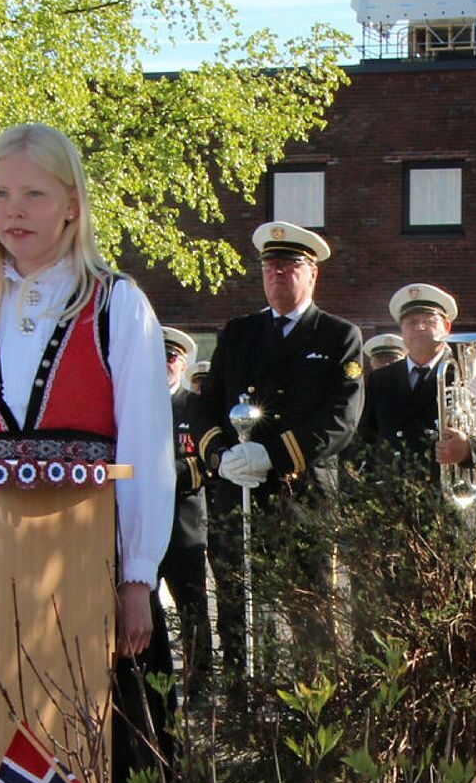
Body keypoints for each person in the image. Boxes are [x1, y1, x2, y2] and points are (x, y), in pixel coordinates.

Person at [0, 122, 176, 783]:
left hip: (87, 571)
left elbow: (148, 448)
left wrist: (137, 576)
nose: (14, 210)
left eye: (33, 192)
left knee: (109, 743)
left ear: (71, 204)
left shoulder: (118, 304)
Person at [191, 221, 364, 679]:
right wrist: (219, 456)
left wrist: (272, 455)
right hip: (238, 490)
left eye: (290, 266)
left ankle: (314, 706)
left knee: (308, 605)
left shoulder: (338, 336)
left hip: (300, 491)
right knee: (235, 599)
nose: (278, 275)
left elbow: (340, 420)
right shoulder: (239, 333)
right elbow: (205, 406)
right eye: (271, 266)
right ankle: (239, 699)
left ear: (312, 275)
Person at [163, 326, 215, 691]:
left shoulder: (195, 406)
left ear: (183, 365)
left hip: (184, 522)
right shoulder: (134, 404)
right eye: (160, 357)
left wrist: (162, 474)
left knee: (191, 606)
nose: (165, 364)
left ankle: (199, 681)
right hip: (140, 522)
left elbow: (205, 463)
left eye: (172, 358)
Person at [361, 283, 457, 462]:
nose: (419, 327)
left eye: (429, 321)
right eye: (411, 322)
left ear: (446, 326)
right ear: (401, 331)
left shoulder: (472, 373)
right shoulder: (380, 379)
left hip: (449, 485)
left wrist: (470, 447)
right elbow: (366, 436)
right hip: (394, 486)